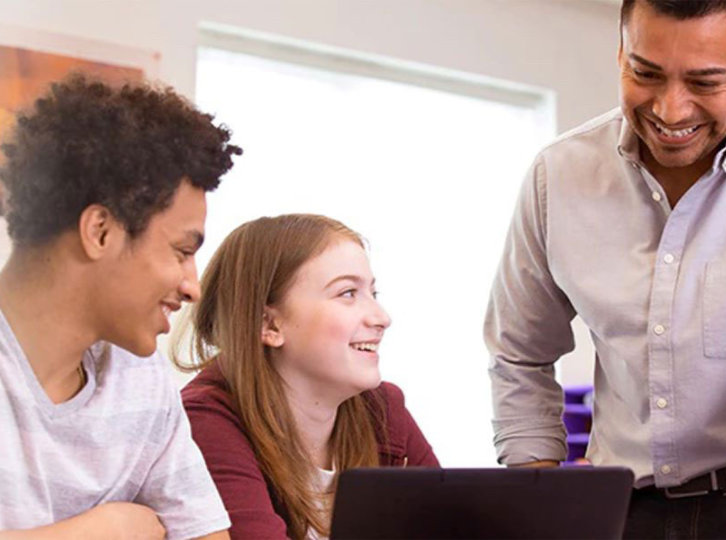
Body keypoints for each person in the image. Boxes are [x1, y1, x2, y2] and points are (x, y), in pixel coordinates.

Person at [485, 1, 726, 538]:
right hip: (621, 509)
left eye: (705, 82)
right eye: (646, 73)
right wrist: (545, 507)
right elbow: (518, 354)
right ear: (621, 52)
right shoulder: (559, 176)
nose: (672, 109)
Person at [0, 74, 242, 539]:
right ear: (101, 232)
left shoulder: (141, 380)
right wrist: (111, 528)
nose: (193, 287)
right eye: (180, 251)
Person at [178, 214, 439, 540]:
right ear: (269, 325)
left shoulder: (383, 409)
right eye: (347, 293)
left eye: (374, 292)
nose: (382, 318)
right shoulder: (206, 422)